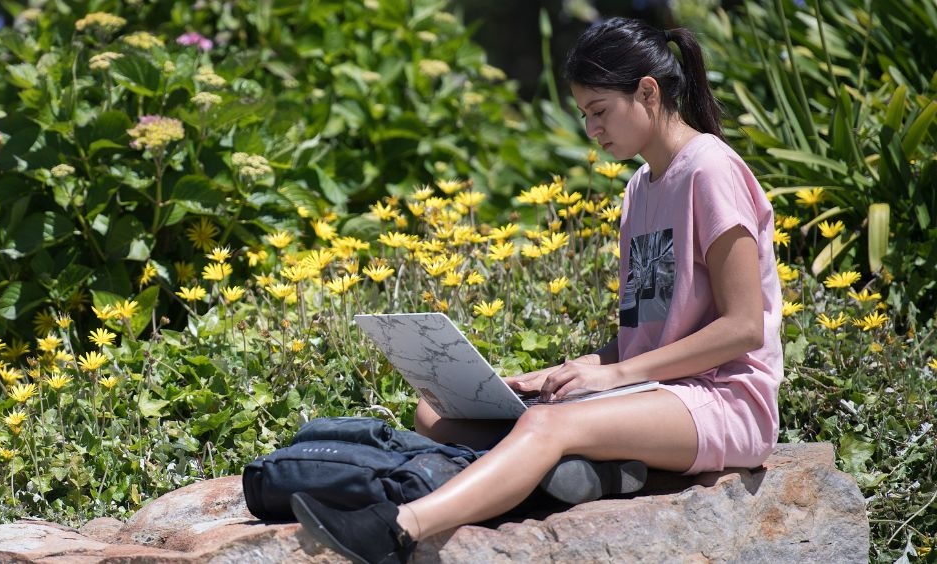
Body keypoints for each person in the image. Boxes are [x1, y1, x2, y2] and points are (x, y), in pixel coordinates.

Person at [290, 16, 783, 564]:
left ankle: (393, 530)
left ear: (648, 91)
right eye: (585, 115)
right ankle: (584, 468)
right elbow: (643, 336)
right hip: (650, 391)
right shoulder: (640, 190)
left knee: (545, 423)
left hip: (723, 401)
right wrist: (568, 370)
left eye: (600, 112)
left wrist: (614, 376)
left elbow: (744, 327)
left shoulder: (711, 170)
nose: (593, 130)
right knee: (436, 415)